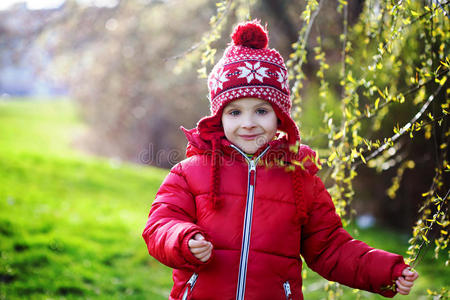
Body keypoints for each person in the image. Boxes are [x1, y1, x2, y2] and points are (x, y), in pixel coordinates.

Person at [142, 20, 419, 300]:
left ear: (280, 116)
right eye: (235, 112)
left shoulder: (299, 177)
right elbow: (160, 224)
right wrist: (182, 238)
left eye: (261, 111)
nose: (248, 123)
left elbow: (329, 247)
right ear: (218, 118)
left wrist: (385, 271)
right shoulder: (190, 173)